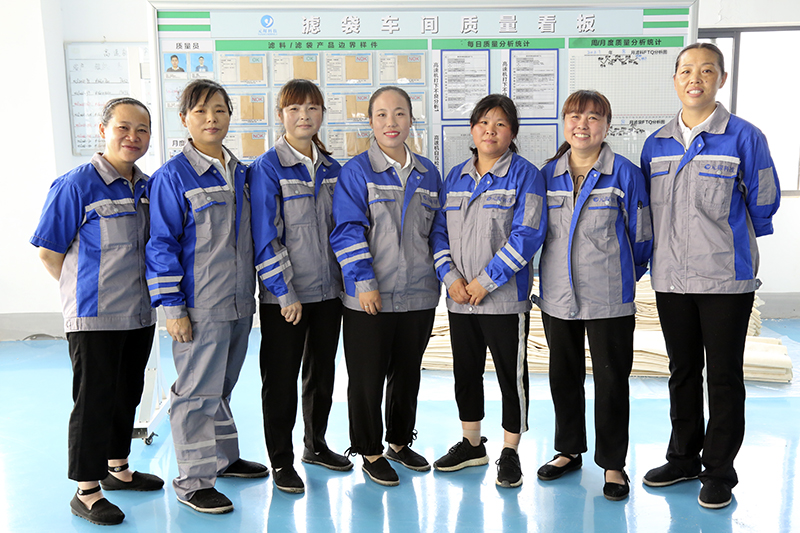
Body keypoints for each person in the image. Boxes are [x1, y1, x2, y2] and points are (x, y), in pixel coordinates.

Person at [639, 43, 780, 509]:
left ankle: (718, 470)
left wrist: (731, 241)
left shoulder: (745, 137)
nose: (694, 78)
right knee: (681, 372)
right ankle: (682, 459)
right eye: (685, 71)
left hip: (724, 279)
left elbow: (763, 199)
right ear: (675, 80)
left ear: (721, 78)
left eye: (706, 70)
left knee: (723, 377)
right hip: (671, 280)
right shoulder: (656, 143)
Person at [31, 97, 164, 526]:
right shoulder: (75, 185)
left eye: (142, 130)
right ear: (103, 129)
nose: (133, 137)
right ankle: (86, 490)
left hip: (139, 312)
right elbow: (49, 252)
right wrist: (84, 292)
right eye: (124, 127)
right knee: (93, 401)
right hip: (94, 316)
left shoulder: (147, 187)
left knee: (127, 393)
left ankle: (117, 467)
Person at [145, 79, 267, 515]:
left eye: (219, 110)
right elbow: (161, 245)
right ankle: (194, 482)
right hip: (199, 306)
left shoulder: (242, 173)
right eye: (200, 111)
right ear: (184, 119)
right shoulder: (173, 176)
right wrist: (173, 308)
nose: (211, 119)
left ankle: (223, 459)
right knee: (196, 393)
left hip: (239, 301)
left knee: (221, 388)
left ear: (230, 115)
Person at [533, 90, 653, 501]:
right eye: (574, 116)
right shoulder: (546, 175)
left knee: (611, 381)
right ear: (563, 122)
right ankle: (568, 450)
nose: (582, 125)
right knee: (563, 376)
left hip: (609, 296)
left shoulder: (625, 174)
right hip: (557, 295)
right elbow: (535, 233)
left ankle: (613, 464)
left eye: (593, 117)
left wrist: (622, 276)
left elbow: (642, 237)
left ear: (607, 125)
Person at [330, 86, 452, 486]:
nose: (391, 122)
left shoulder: (428, 173)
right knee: (367, 378)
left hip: (419, 293)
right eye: (381, 115)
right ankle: (369, 450)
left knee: (407, 373)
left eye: (399, 113)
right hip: (371, 295)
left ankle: (399, 441)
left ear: (411, 120)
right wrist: (363, 281)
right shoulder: (356, 172)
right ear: (370, 122)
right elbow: (347, 230)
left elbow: (438, 231)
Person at [432, 94, 547, 488]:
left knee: (510, 377)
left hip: (504, 300)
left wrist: (486, 281)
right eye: (483, 123)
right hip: (460, 300)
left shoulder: (526, 175)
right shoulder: (455, 177)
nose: (490, 131)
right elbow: (438, 232)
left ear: (512, 132)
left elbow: (528, 234)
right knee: (465, 373)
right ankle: (471, 443)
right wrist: (450, 277)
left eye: (500, 124)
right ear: (472, 129)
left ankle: (510, 450)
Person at [249, 79, 352, 494]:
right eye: (294, 109)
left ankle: (316, 445)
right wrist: (283, 291)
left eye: (312, 108)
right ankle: (281, 460)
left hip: (329, 293)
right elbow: (264, 235)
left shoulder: (334, 170)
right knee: (280, 380)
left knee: (322, 375)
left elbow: (344, 229)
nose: (303, 116)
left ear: (322, 114)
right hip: (286, 298)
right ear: (281, 115)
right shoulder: (266, 168)